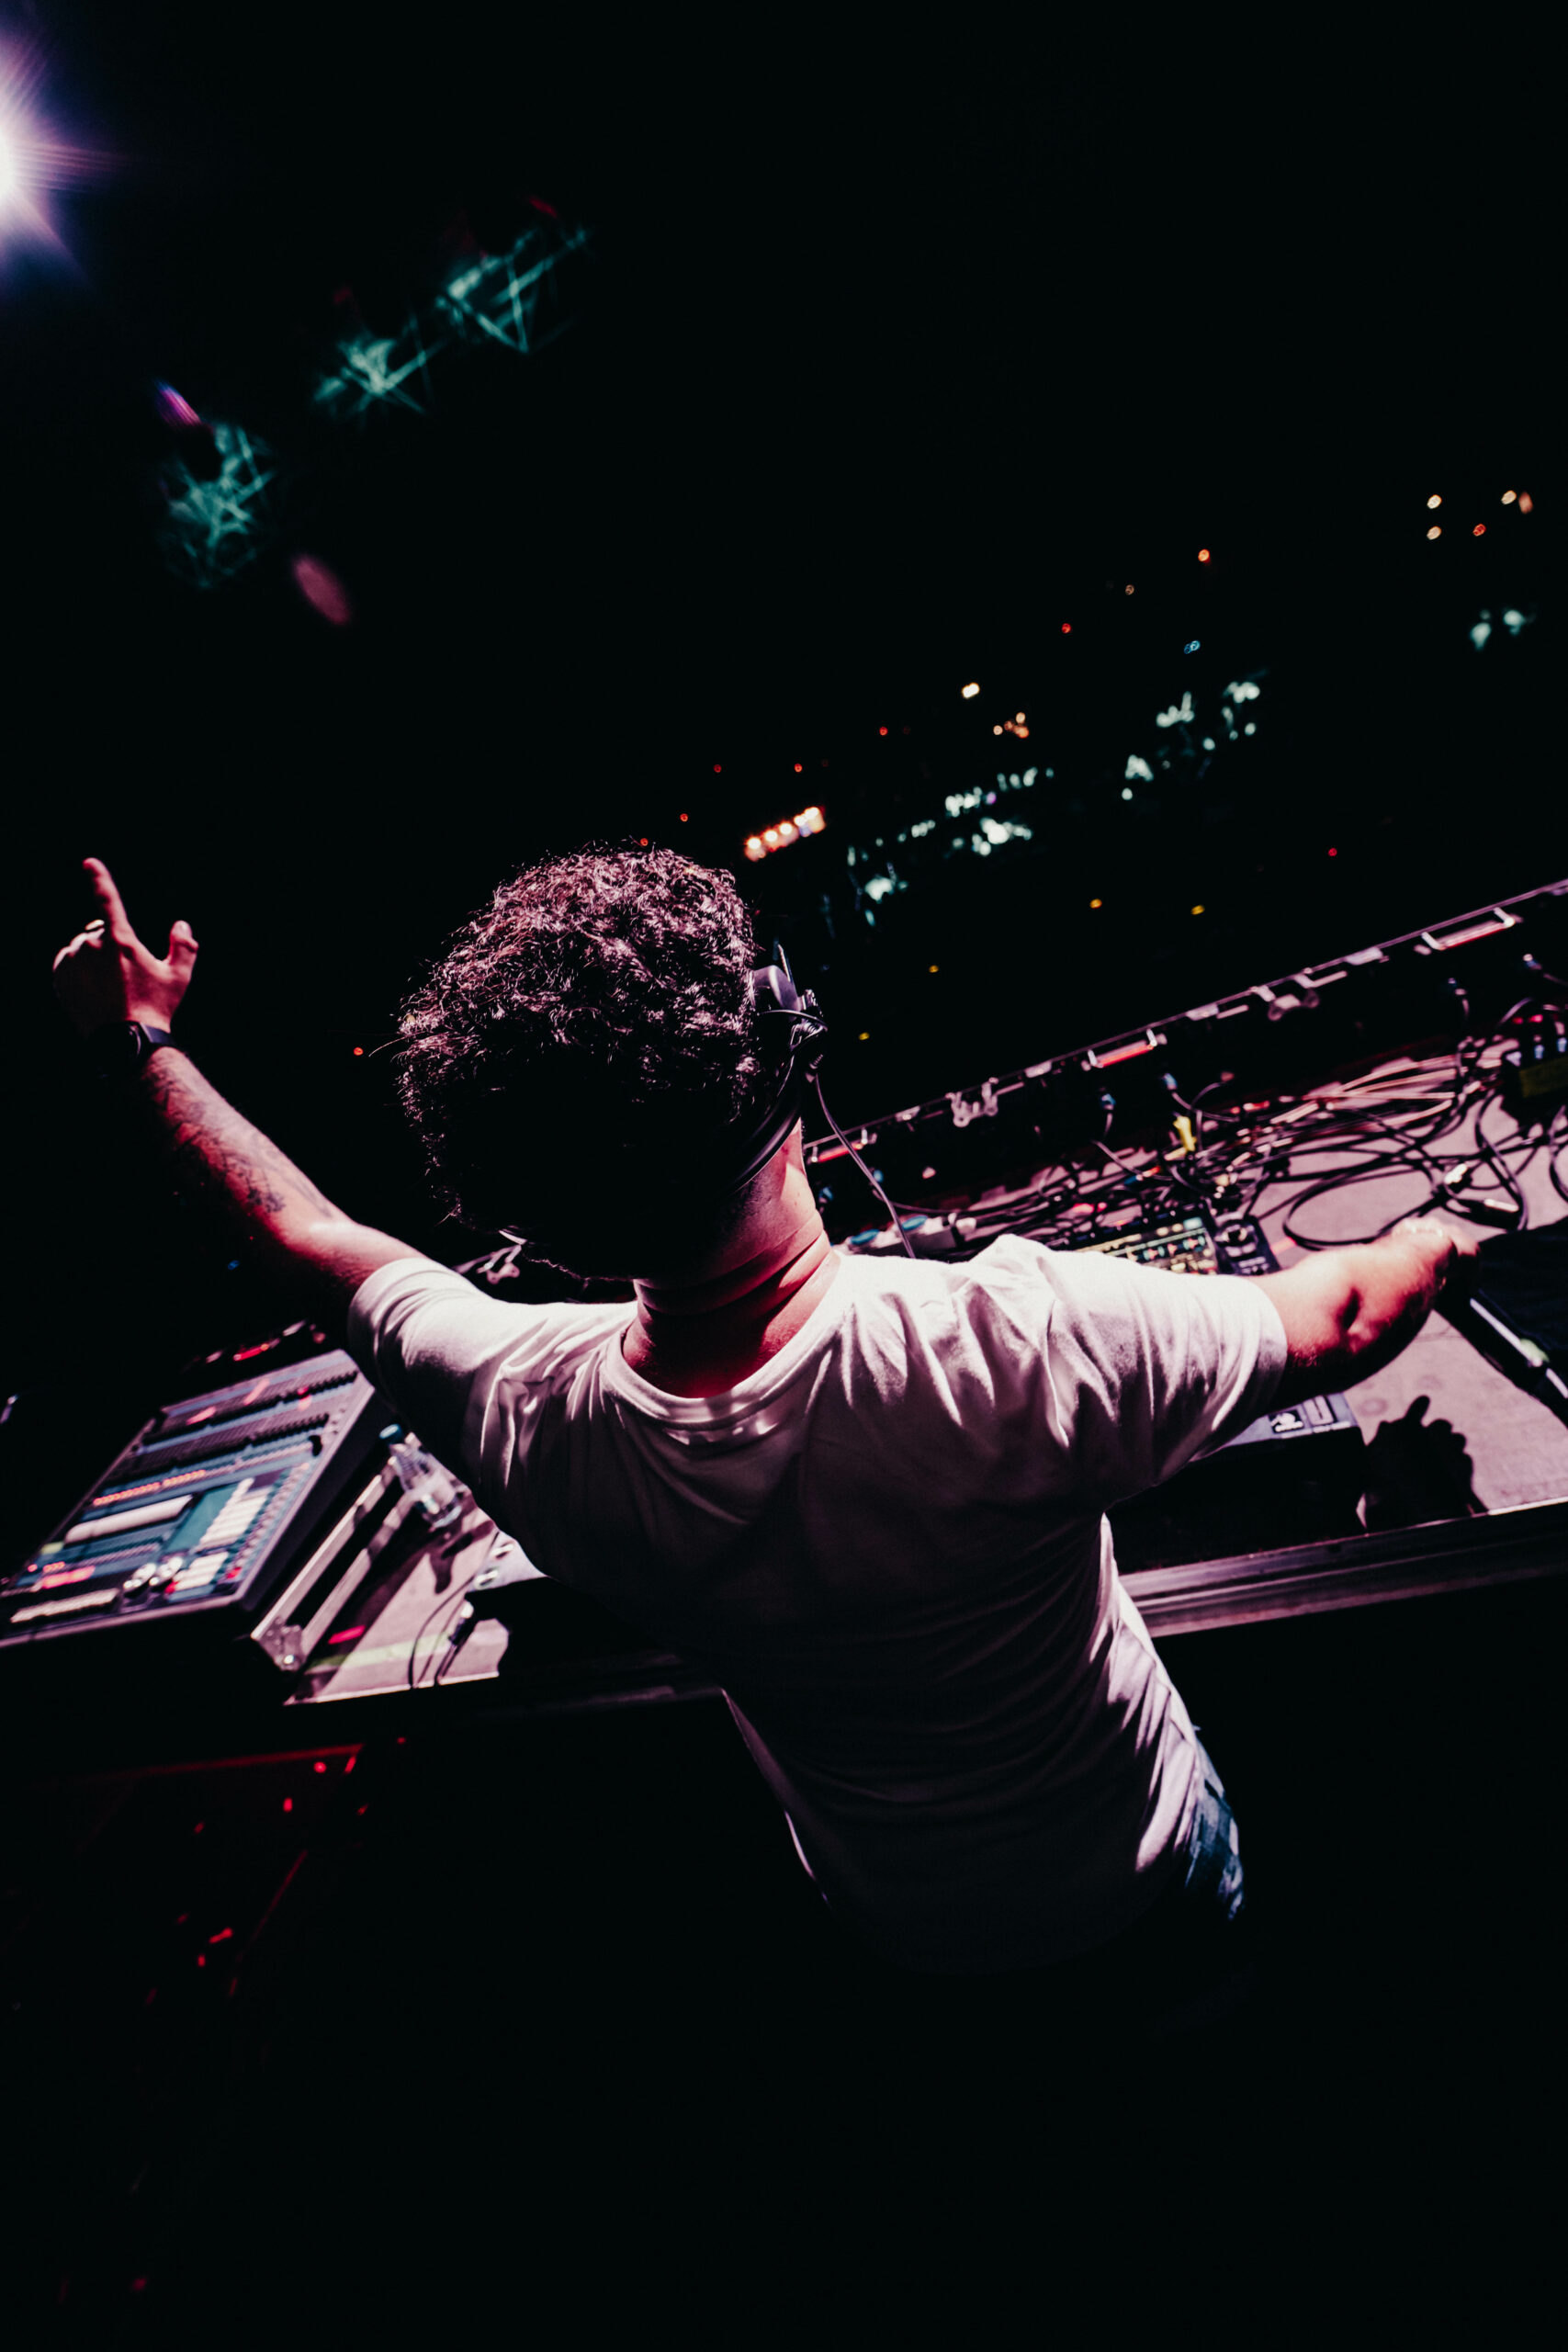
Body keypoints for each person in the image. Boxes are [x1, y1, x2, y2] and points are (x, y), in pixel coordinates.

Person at [51, 849, 1474, 2020]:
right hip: (1146, 1883)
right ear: (795, 1065)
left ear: (535, 1231)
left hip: (897, 1934)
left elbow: (309, 1239)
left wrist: (139, 1046)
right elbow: (1348, 1315)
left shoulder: (509, 1403)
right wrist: (1434, 1234)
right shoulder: (1021, 1338)